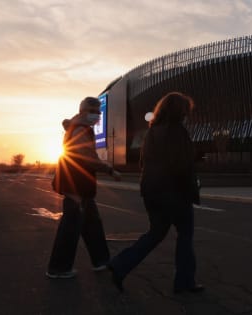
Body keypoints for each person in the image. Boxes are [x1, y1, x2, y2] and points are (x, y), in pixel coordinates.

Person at [108, 92, 204, 294]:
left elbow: (143, 163)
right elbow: (183, 167)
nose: (187, 114)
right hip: (175, 193)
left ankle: (120, 265)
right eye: (186, 110)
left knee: (155, 234)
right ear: (180, 111)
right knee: (185, 235)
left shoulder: (152, 133)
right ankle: (184, 282)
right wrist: (193, 190)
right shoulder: (178, 132)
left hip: (152, 192)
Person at [47, 96, 121, 279]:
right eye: (93, 111)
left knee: (91, 224)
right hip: (76, 185)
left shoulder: (81, 127)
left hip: (80, 184)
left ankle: (101, 260)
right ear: (83, 112)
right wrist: (110, 170)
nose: (96, 115)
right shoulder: (80, 129)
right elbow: (87, 157)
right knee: (71, 226)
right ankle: (59, 268)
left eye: (98, 112)